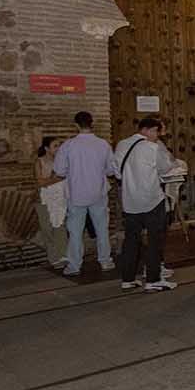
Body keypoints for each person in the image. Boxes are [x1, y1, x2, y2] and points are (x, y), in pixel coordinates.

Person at [113, 117, 177, 292]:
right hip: (151, 199)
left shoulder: (122, 145)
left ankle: (128, 278)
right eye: (156, 132)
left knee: (131, 240)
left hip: (130, 200)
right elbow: (165, 168)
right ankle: (153, 279)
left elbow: (116, 173)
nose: (157, 136)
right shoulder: (152, 147)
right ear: (148, 130)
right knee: (155, 240)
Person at [53, 111, 115, 276]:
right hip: (98, 193)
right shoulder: (103, 144)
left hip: (76, 193)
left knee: (75, 232)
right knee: (102, 229)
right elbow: (110, 170)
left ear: (76, 125)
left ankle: (74, 265)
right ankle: (105, 261)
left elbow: (59, 170)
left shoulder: (68, 145)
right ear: (91, 123)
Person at [34, 136, 68, 270]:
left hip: (61, 197)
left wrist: (55, 179)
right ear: (47, 148)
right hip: (45, 198)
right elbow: (40, 182)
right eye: (55, 146)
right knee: (47, 228)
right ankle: (53, 257)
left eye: (60, 145)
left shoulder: (63, 162)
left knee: (60, 226)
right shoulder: (39, 162)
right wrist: (56, 179)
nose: (59, 148)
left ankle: (63, 255)